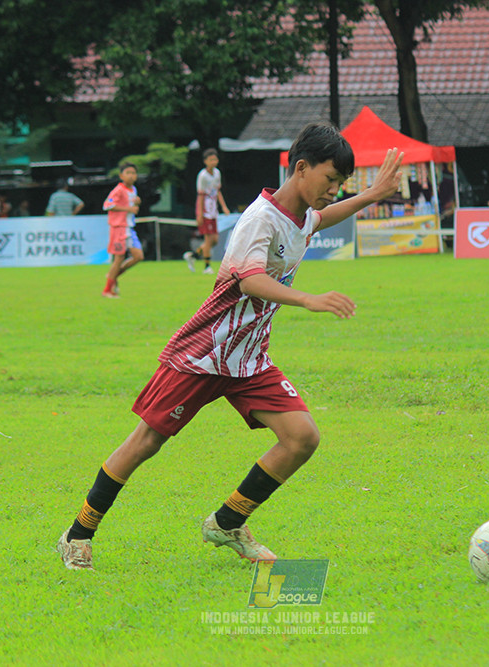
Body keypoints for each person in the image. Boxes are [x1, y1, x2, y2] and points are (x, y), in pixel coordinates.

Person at [55, 123, 404, 570]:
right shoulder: (259, 218)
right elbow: (248, 278)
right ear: (301, 169)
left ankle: (227, 522)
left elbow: (321, 218)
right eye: (330, 180)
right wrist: (306, 299)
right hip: (204, 351)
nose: (334, 191)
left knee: (301, 438)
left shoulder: (300, 216)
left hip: (248, 359)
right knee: (145, 442)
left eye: (340, 184)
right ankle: (77, 534)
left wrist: (372, 195)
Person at [183, 148, 230, 275]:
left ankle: (193, 255)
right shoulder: (202, 176)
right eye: (211, 160)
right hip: (205, 212)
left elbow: (218, 192)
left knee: (215, 240)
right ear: (205, 161)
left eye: (215, 159)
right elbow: (200, 196)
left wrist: (224, 207)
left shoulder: (217, 173)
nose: (214, 162)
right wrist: (199, 214)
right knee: (209, 240)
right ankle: (207, 266)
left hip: (213, 211)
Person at [101, 162, 143, 297]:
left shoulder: (133, 189)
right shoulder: (118, 189)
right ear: (121, 176)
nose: (131, 176)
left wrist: (136, 202)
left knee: (138, 256)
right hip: (119, 227)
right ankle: (107, 290)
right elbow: (107, 205)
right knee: (119, 258)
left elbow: (131, 205)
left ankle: (113, 276)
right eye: (128, 173)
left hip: (129, 227)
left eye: (133, 173)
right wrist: (128, 208)